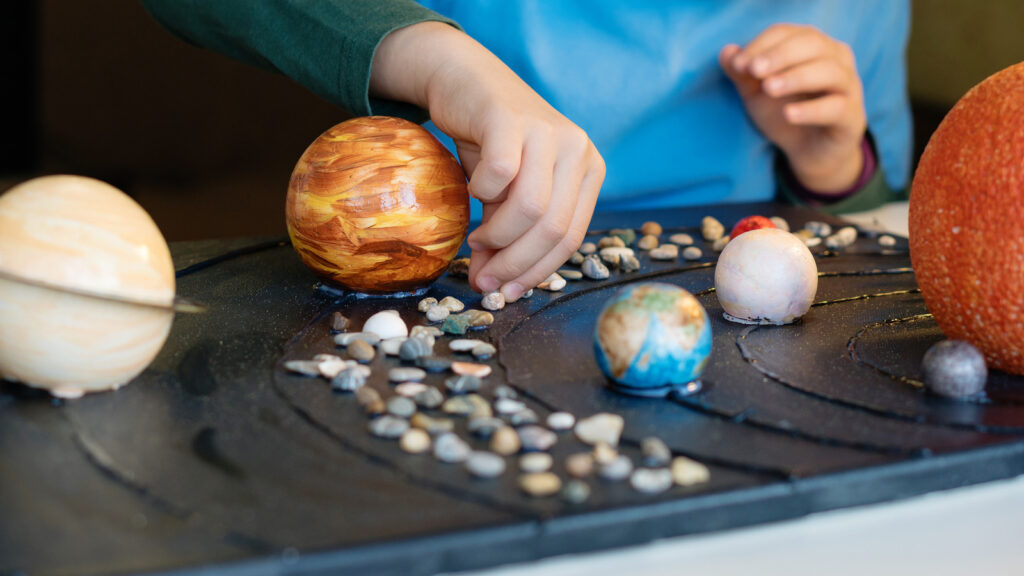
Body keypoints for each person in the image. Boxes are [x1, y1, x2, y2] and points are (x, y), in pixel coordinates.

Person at [142, 1, 911, 302]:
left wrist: (833, 162)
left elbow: (882, 217)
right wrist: (438, 57)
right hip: (463, 289)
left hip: (733, 308)